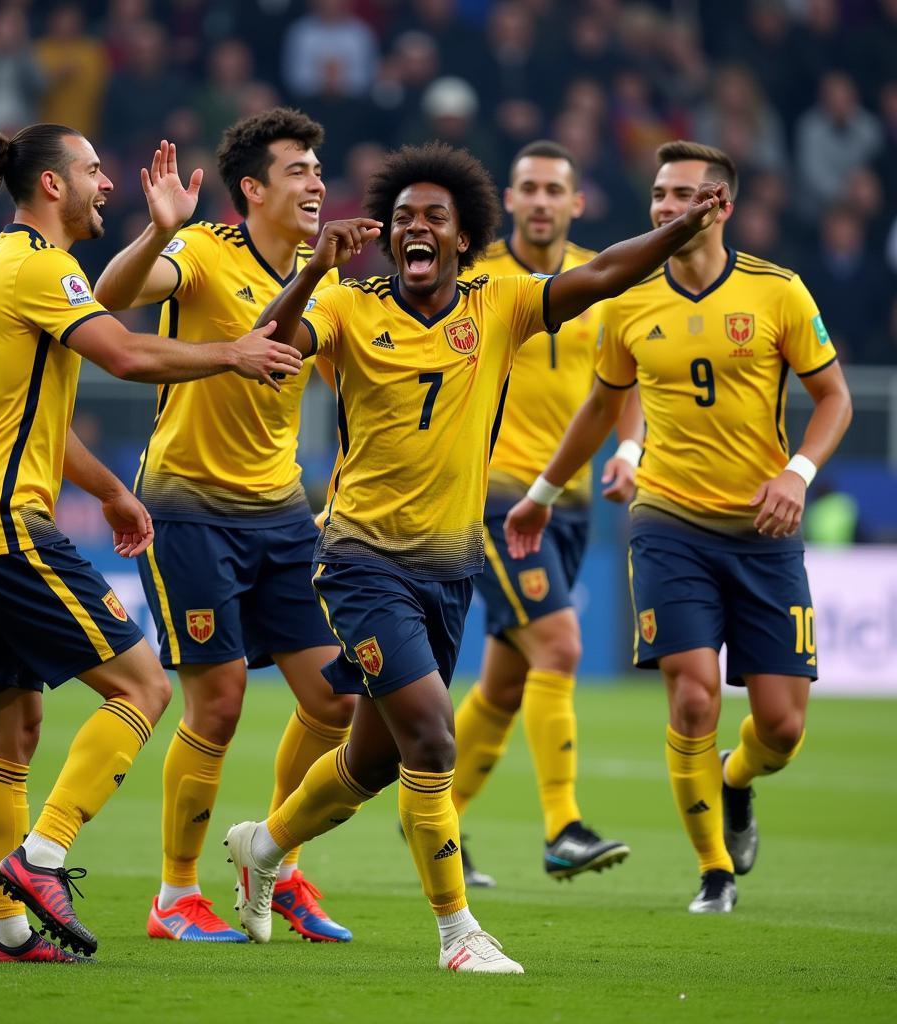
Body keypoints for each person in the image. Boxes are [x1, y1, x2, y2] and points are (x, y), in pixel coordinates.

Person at [222, 141, 726, 973]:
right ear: (387, 236)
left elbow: (603, 276)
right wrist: (313, 271)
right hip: (357, 559)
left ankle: (263, 846)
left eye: (436, 218)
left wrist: (676, 234)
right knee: (432, 737)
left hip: (450, 568)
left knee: (372, 761)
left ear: (463, 237)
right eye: (404, 219)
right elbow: (263, 346)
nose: (418, 227)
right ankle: (460, 933)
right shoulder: (350, 306)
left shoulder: (501, 303)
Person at [0, 123, 302, 964]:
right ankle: (43, 854)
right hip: (3, 524)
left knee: (9, 731)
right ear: (52, 186)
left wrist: (112, 489)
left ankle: (8, 930)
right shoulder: (40, 266)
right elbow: (124, 354)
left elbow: (26, 417)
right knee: (143, 684)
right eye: (93, 171)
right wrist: (229, 351)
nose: (106, 184)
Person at [505, 140, 852, 914]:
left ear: (719, 206)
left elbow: (835, 399)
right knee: (692, 699)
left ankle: (735, 779)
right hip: (668, 523)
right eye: (659, 195)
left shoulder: (778, 292)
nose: (664, 208)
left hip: (763, 529)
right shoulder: (629, 300)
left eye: (681, 196)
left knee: (783, 729)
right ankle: (714, 874)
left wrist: (797, 473)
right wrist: (543, 489)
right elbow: (600, 406)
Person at [94, 108, 354, 944]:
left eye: (320, 168)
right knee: (220, 703)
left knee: (334, 699)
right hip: (189, 507)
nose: (317, 181)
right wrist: (155, 231)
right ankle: (174, 896)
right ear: (253, 188)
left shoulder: (333, 279)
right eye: (298, 169)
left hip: (283, 512)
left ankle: (275, 864)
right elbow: (111, 300)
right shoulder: (203, 251)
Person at [450, 140, 641, 888]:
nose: (538, 200)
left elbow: (624, 391)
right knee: (560, 646)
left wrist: (632, 451)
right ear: (510, 198)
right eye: (526, 187)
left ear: (575, 202)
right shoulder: (478, 281)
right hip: (496, 500)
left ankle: (434, 812)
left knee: (504, 685)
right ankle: (562, 826)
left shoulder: (603, 282)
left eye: (552, 189)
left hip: (571, 506)